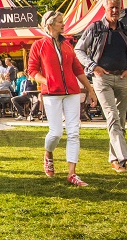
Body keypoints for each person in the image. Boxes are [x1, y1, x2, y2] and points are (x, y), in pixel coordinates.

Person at [74, 0, 127, 177]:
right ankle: (126, 159)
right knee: (112, 116)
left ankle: (114, 159)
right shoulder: (95, 28)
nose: (114, 11)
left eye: (117, 7)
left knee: (120, 120)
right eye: (111, 7)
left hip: (122, 77)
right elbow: (78, 49)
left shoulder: (126, 30)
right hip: (102, 79)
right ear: (105, 8)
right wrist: (93, 66)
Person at [29, 10, 96, 187]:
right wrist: (46, 81)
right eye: (59, 22)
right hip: (52, 93)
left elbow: (78, 69)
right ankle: (48, 153)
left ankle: (72, 173)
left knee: (74, 132)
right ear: (50, 25)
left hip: (72, 92)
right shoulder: (39, 46)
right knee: (56, 133)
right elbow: (32, 70)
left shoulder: (68, 45)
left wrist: (90, 89)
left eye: (62, 21)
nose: (63, 24)